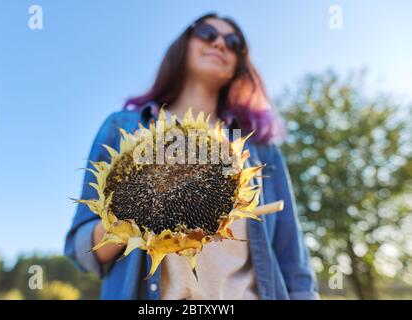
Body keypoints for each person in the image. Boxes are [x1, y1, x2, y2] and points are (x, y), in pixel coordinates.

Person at [64, 12, 319, 300]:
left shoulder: (261, 148)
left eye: (233, 42)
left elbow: (294, 265)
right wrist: (129, 213)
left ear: (239, 63)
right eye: (208, 33)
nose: (221, 43)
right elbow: (81, 251)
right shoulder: (122, 127)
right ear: (184, 44)